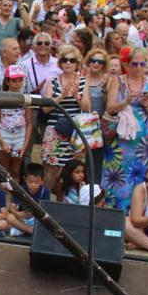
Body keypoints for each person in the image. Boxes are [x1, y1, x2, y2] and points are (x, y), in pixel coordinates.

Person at [102, 47, 148, 211]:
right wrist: (125, 102)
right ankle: (114, 213)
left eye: (142, 64)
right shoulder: (118, 80)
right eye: (134, 64)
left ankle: (136, 213)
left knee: (141, 176)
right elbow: (110, 107)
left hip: (143, 140)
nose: (138, 68)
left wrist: (147, 103)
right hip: (121, 137)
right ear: (127, 64)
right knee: (117, 175)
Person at [40, 45, 86, 191]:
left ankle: (69, 203)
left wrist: (77, 96)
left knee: (73, 171)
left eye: (72, 60)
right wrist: (62, 97)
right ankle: (44, 203)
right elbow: (45, 108)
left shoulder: (83, 81)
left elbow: (86, 108)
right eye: (65, 60)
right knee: (51, 169)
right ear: (60, 62)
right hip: (55, 131)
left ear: (77, 63)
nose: (68, 63)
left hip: (74, 132)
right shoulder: (52, 81)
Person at [0, 65, 32, 183]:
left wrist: (25, 145)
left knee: (15, 170)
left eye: (20, 80)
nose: (18, 84)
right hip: (4, 134)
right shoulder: (1, 98)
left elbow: (29, 123)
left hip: (20, 135)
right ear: (7, 81)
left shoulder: (26, 99)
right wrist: (2, 141)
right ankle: (4, 197)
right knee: (4, 170)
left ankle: (14, 198)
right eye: (14, 80)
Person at [80, 49, 109, 184]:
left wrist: (106, 90)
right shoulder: (81, 79)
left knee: (96, 161)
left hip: (100, 126)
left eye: (100, 62)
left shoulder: (107, 81)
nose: (96, 64)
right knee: (81, 162)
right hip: (84, 125)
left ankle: (94, 190)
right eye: (94, 61)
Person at [7, 163, 51, 237]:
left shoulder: (44, 191)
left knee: (47, 222)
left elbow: (46, 210)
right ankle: (31, 231)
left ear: (42, 182)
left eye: (36, 182)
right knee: (9, 217)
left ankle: (23, 231)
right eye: (30, 182)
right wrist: (18, 214)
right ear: (25, 179)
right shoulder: (21, 189)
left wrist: (34, 214)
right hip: (22, 219)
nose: (33, 185)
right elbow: (11, 207)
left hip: (36, 219)